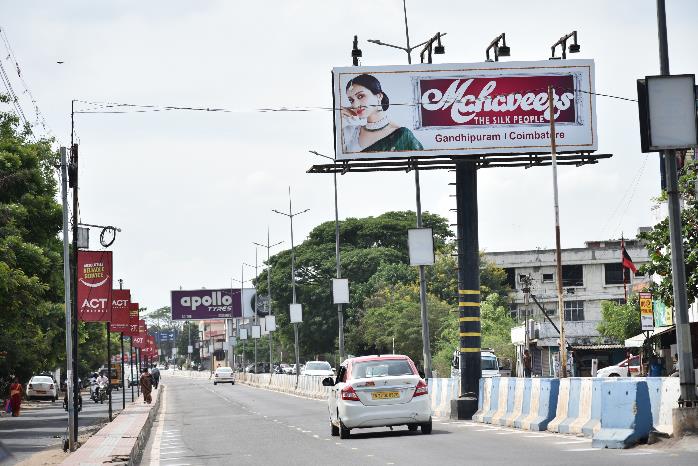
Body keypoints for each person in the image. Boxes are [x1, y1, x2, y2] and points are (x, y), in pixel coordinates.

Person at [341, 74, 423, 153]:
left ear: (379, 96)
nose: (355, 105)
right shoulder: (350, 132)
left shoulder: (402, 135)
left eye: (360, 96)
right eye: (351, 100)